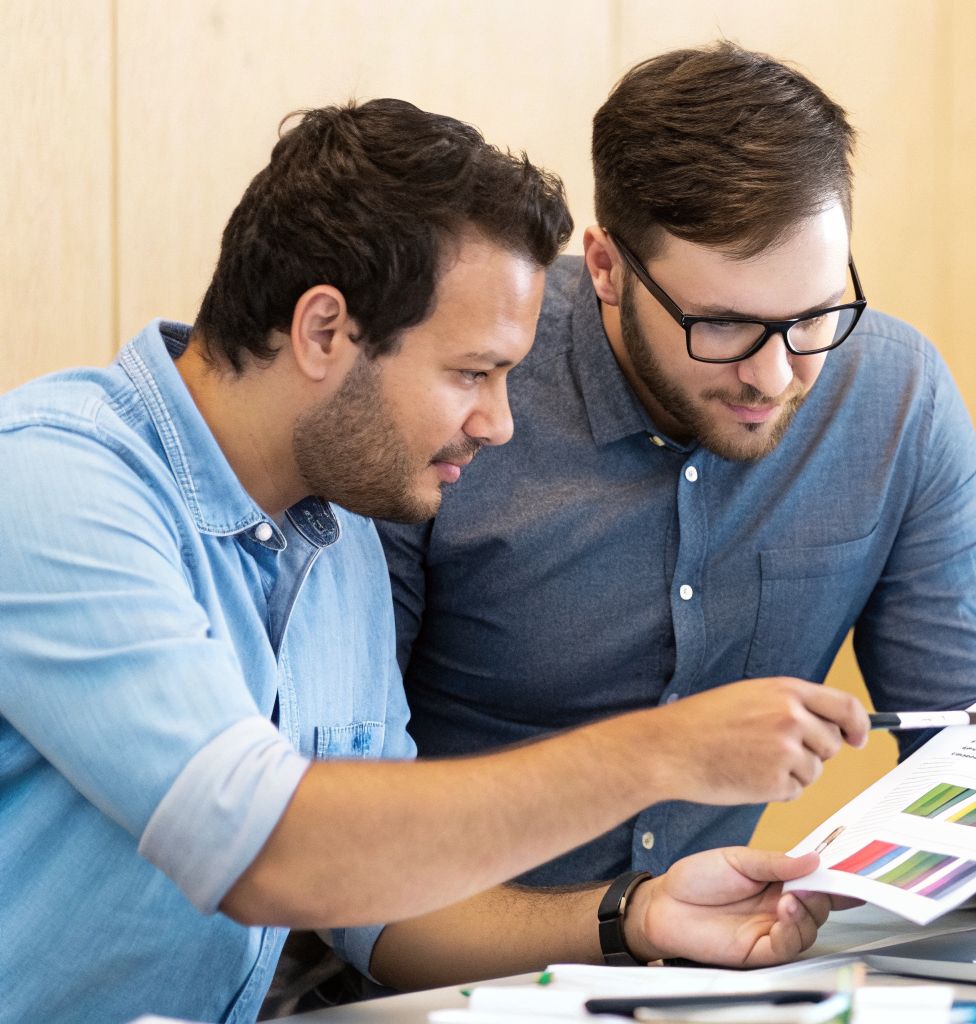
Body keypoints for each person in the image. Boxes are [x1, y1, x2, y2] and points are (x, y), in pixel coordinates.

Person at [0, 99, 871, 1024]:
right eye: (472, 373)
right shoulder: (51, 483)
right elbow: (269, 856)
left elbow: (376, 910)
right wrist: (659, 753)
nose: (498, 423)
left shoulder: (340, 534)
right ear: (324, 331)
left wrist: (635, 914)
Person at [379, 42, 976, 910]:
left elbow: (974, 750)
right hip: (440, 974)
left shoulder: (895, 399)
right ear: (605, 267)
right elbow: (344, 822)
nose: (777, 376)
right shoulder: (460, 395)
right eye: (721, 325)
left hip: (726, 975)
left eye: (815, 317)